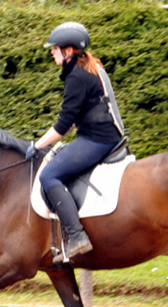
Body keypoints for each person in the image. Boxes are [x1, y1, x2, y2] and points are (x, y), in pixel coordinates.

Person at [25, 22, 125, 263]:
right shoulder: (89, 67)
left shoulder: (77, 77)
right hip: (104, 134)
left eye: (55, 48)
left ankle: (77, 236)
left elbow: (63, 126)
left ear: (68, 51)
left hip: (97, 139)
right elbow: (71, 121)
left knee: (48, 176)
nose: (51, 52)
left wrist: (37, 145)